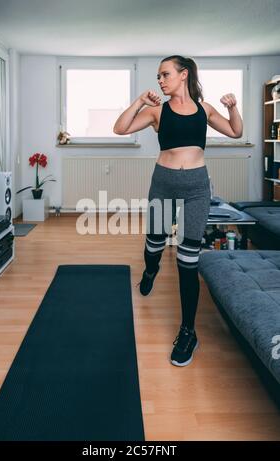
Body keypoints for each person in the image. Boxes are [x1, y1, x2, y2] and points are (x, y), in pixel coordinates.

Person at [113, 55, 243, 367]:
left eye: (165, 74)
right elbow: (120, 128)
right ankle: (150, 270)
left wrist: (232, 107)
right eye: (158, 76)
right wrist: (139, 101)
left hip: (197, 187)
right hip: (164, 184)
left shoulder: (204, 109)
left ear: (183, 75)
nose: (160, 80)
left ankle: (188, 331)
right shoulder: (157, 110)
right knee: (155, 242)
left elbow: (236, 132)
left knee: (189, 258)